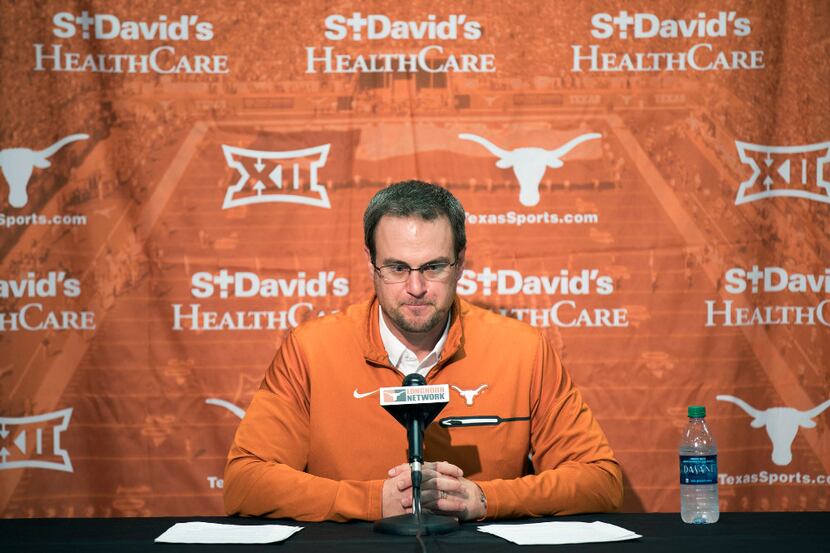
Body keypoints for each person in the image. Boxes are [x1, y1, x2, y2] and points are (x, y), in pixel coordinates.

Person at [224, 180, 623, 522]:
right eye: (397, 268)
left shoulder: (524, 350)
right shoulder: (309, 350)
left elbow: (599, 480)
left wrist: (486, 499)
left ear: (461, 263)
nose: (415, 288)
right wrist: (373, 501)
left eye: (433, 267)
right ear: (370, 264)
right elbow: (246, 483)